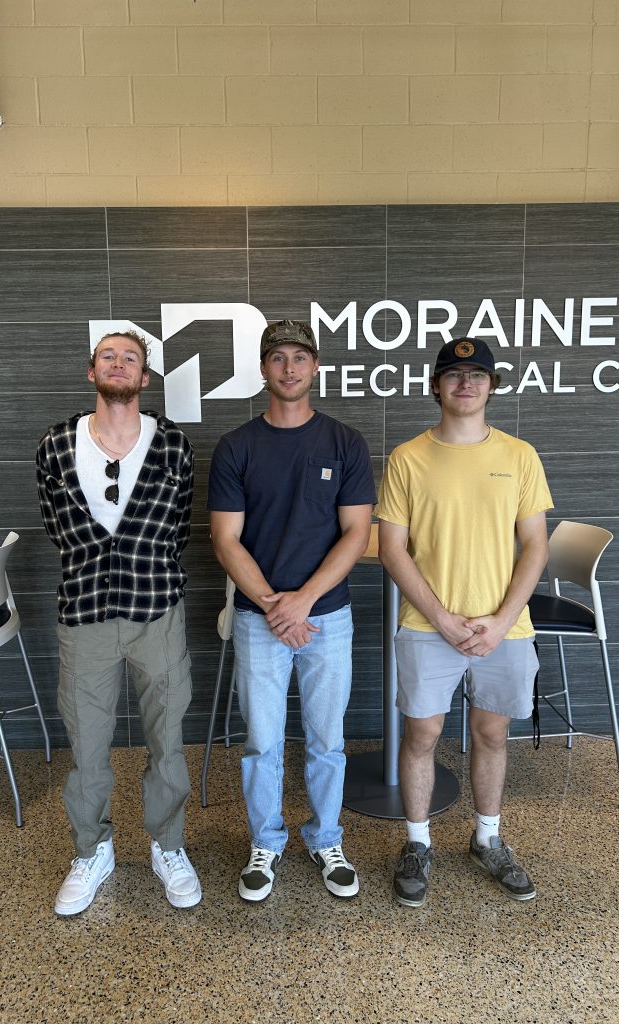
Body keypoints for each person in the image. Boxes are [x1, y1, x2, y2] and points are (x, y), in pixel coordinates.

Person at [377, 337, 553, 907]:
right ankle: (418, 841)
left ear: (493, 386)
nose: (466, 383)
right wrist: (444, 619)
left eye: (478, 374)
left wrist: (501, 621)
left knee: (491, 732)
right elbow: (393, 550)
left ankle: (487, 837)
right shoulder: (407, 458)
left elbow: (534, 547)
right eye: (454, 374)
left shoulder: (519, 456)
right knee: (422, 734)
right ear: (436, 386)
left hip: (505, 628)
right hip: (429, 627)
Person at [208, 319, 376, 902]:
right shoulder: (237, 447)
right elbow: (227, 540)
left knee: (328, 739)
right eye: (277, 358)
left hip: (327, 617)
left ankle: (326, 837)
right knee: (263, 742)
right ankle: (266, 842)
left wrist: (301, 602)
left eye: (299, 357)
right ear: (262, 370)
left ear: (315, 366)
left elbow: (356, 533)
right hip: (260, 619)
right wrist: (274, 606)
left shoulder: (345, 443)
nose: (288, 368)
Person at [36, 330, 201, 915]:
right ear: (92, 372)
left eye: (130, 357)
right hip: (83, 612)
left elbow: (177, 531)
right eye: (108, 355)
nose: (118, 363)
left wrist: (139, 565)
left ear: (145, 378)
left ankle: (169, 847)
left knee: (167, 740)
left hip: (157, 609)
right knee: (87, 744)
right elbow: (58, 530)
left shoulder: (174, 446)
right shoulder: (56, 445)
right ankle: (91, 851)